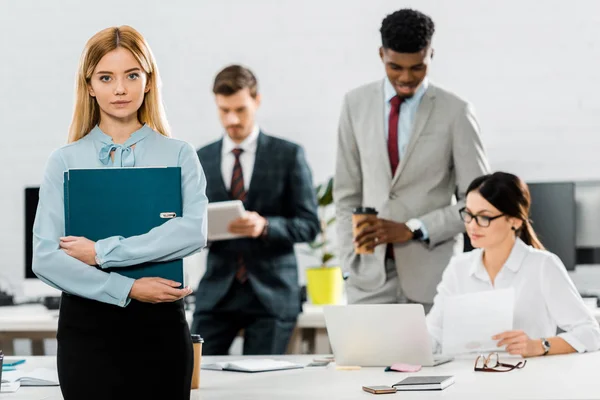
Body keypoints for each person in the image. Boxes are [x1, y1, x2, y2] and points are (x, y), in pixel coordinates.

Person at [32, 26, 208, 399]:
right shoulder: (64, 161)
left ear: (148, 81)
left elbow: (192, 231)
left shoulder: (179, 154)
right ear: (90, 85)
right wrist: (128, 288)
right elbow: (46, 258)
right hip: (87, 331)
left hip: (160, 327)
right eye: (106, 77)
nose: (120, 89)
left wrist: (101, 252)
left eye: (132, 75)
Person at [334, 8, 490, 309]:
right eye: (395, 67)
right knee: (364, 358)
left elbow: (478, 205)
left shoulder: (456, 112)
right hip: (367, 278)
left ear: (431, 54)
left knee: (430, 358)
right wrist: (348, 259)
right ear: (381, 54)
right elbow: (346, 194)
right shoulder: (354, 104)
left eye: (417, 67)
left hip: (433, 278)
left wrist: (413, 227)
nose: (406, 78)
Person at [191, 65, 320, 355]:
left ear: (256, 101)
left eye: (240, 109)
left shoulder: (288, 155)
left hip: (272, 295)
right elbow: (187, 224)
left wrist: (265, 226)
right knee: (193, 377)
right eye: (224, 110)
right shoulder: (201, 158)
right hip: (217, 294)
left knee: (262, 386)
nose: (232, 119)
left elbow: (310, 225)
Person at [426, 172, 600, 356]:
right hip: (468, 378)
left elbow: (591, 333)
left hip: (527, 378)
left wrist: (538, 346)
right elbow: (433, 333)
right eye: (468, 214)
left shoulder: (542, 266)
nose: (472, 226)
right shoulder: (458, 267)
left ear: (514, 221)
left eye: (484, 217)